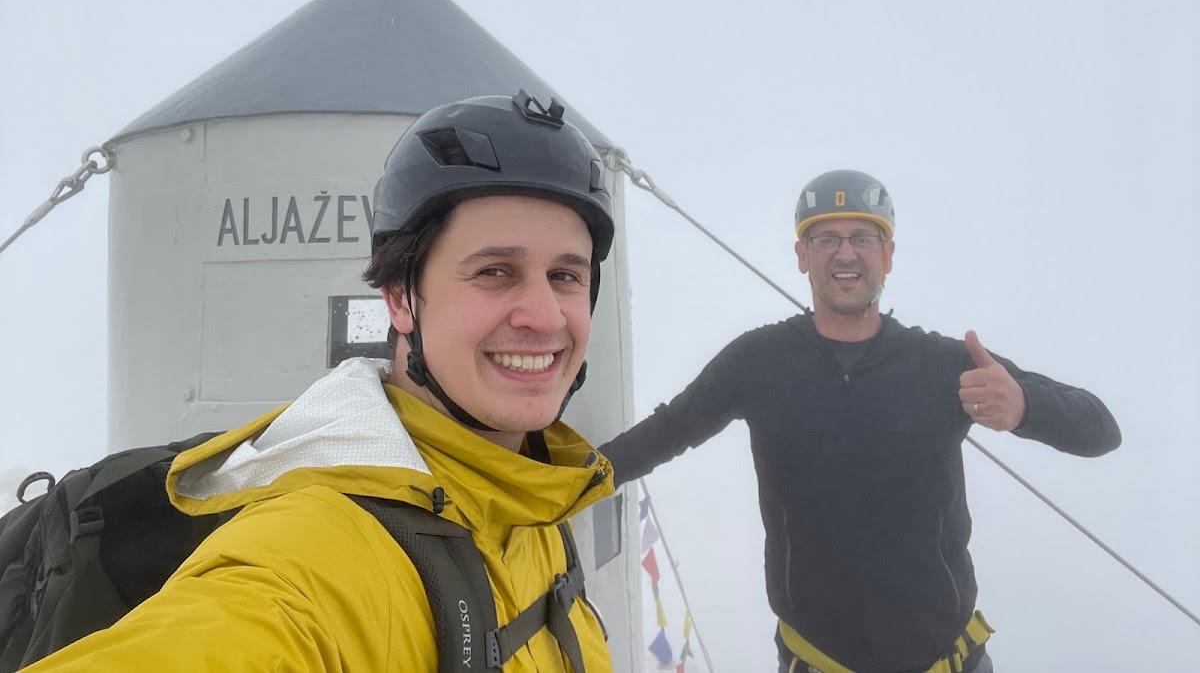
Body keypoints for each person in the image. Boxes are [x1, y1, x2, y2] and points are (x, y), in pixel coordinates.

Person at [29, 92, 617, 672]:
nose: (543, 316)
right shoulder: (314, 553)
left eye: (565, 275)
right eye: (494, 272)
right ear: (400, 300)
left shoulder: (537, 504)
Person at [599, 169, 1121, 673]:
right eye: (825, 239)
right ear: (802, 256)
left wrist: (1025, 405)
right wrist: (563, 481)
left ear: (888, 256)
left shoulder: (944, 363)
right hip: (817, 661)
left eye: (863, 238)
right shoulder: (758, 361)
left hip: (950, 662)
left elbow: (1101, 430)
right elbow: (667, 432)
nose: (845, 253)